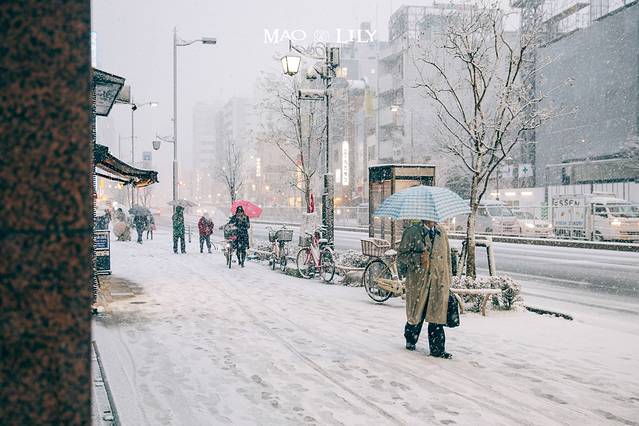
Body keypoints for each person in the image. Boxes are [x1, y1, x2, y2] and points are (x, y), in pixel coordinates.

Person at [398, 219, 453, 359]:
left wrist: (448, 280)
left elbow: (447, 258)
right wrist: (418, 258)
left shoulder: (441, 232)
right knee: (417, 313)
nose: (433, 220)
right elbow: (401, 256)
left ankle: (437, 349)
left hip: (438, 280)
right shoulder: (412, 232)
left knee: (437, 316)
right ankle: (411, 339)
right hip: (419, 281)